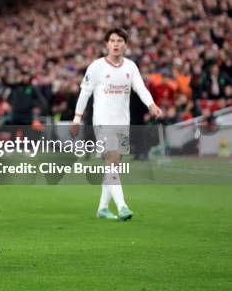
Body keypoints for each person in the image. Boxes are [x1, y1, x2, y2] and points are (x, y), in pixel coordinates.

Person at [70, 27, 163, 220]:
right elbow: (84, 93)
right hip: (102, 122)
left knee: (113, 166)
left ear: (125, 45)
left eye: (120, 41)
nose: (116, 44)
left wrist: (151, 104)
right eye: (112, 40)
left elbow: (141, 87)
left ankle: (103, 208)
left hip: (122, 122)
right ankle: (122, 206)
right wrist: (77, 119)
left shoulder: (130, 67)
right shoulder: (96, 67)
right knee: (111, 161)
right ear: (107, 44)